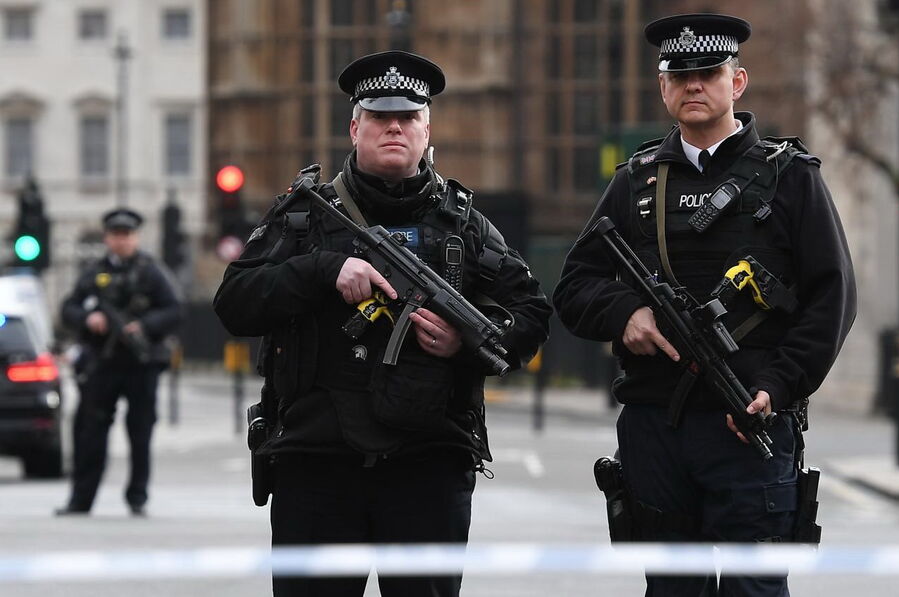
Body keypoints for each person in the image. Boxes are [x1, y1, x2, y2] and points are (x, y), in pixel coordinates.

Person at [213, 50, 551, 597]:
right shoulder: (304, 217)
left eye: (409, 116)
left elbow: (532, 313)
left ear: (426, 129)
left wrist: (463, 341)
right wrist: (324, 269)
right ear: (354, 127)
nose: (394, 126)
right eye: (378, 116)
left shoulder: (463, 223)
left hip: (429, 463)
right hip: (317, 462)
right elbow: (235, 302)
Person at [554, 14, 856, 596]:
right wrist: (626, 315)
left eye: (709, 72)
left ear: (736, 83)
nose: (695, 85)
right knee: (672, 589)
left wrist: (782, 382)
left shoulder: (789, 178)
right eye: (680, 74)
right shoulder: (635, 181)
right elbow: (575, 286)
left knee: (753, 589)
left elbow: (832, 294)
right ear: (663, 87)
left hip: (751, 420)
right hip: (656, 425)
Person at [56, 208, 182, 517]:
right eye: (116, 235)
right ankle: (81, 499)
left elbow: (175, 310)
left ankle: (137, 496)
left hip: (141, 362)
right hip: (104, 362)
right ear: (107, 238)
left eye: (127, 235)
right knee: (91, 431)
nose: (121, 241)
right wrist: (89, 318)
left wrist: (144, 326)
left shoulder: (151, 271)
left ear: (135, 237)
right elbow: (69, 309)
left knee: (140, 431)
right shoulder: (94, 272)